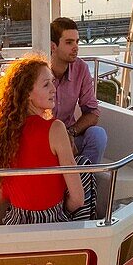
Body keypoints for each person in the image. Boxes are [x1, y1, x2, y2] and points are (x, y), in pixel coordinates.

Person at [0, 54, 95, 224]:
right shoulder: (55, 129)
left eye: (52, 82)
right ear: (27, 94)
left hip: (16, 222)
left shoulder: (2, 134)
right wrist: (60, 209)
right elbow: (78, 199)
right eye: (46, 84)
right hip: (53, 222)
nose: (54, 89)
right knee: (84, 166)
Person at [50, 17, 108, 165]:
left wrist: (70, 132)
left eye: (77, 41)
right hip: (44, 140)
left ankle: (83, 181)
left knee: (98, 135)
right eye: (69, 42)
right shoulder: (38, 72)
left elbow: (92, 113)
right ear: (53, 46)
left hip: (70, 136)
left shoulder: (80, 69)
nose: (76, 47)